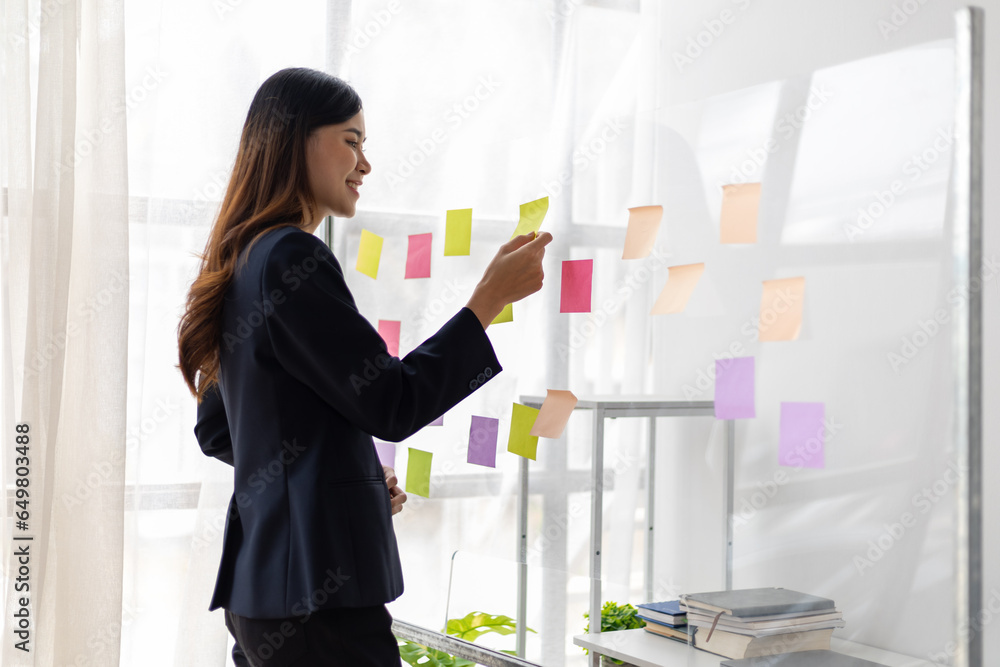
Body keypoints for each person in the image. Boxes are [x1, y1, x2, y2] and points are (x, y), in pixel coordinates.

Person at [176, 67, 552, 666]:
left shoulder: (242, 258)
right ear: (295, 139)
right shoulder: (290, 257)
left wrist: (348, 482)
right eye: (351, 140)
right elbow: (392, 403)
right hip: (315, 600)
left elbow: (221, 431)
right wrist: (488, 302)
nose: (365, 164)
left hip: (261, 595)